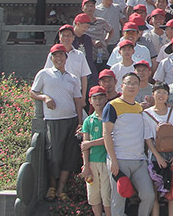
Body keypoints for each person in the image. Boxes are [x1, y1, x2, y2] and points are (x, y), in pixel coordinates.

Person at [30, 44, 85, 202]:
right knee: (54, 155)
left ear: (66, 58)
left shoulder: (72, 78)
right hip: (53, 121)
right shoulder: (44, 74)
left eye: (61, 55)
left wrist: (80, 122)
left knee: (69, 156)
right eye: (55, 55)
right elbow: (33, 92)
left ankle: (61, 189)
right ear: (51, 58)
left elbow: (78, 101)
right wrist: (45, 97)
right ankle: (52, 186)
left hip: (71, 120)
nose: (58, 58)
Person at [103, 72, 156, 216]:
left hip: (139, 160)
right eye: (128, 83)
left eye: (135, 84)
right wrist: (113, 160)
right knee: (118, 200)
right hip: (119, 160)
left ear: (139, 87)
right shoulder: (112, 106)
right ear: (122, 86)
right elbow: (106, 134)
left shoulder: (139, 108)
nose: (132, 86)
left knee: (148, 195)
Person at [144, 82, 173, 216]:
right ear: (153, 94)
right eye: (158, 92)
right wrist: (158, 157)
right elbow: (148, 138)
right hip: (156, 155)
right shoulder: (146, 113)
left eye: (164, 92)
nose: (161, 95)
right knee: (154, 190)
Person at [81, 85, 112, 216]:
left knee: (106, 194)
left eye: (101, 98)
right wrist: (86, 165)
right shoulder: (88, 120)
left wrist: (91, 143)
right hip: (92, 162)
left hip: (106, 160)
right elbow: (84, 145)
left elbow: (110, 138)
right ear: (90, 101)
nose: (98, 101)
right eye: (95, 98)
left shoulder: (110, 118)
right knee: (93, 195)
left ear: (106, 98)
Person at [44, 24, 92, 93]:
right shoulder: (53, 55)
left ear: (73, 37)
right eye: (63, 35)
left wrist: (83, 96)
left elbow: (84, 77)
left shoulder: (80, 55)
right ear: (59, 37)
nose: (66, 38)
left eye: (69, 35)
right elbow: (47, 73)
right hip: (57, 92)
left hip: (75, 93)